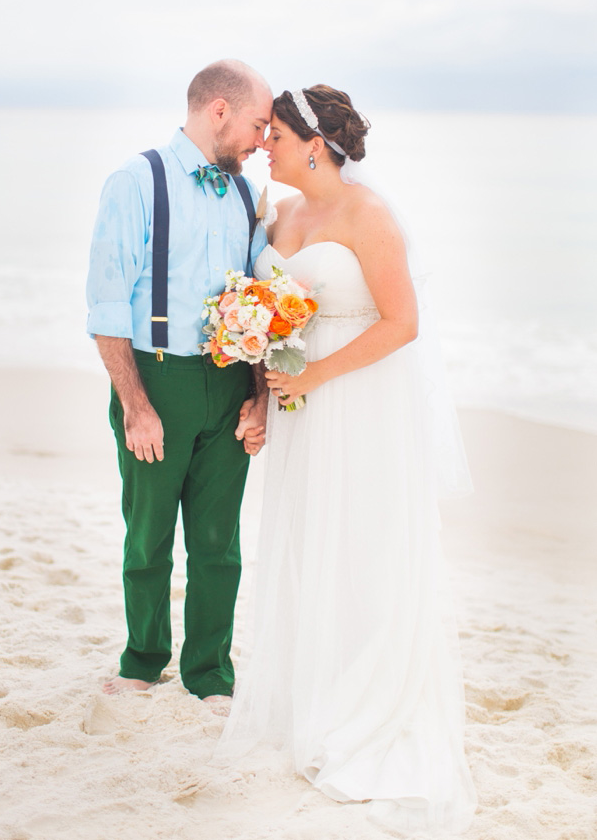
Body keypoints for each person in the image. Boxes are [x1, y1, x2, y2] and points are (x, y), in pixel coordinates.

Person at [216, 86, 477, 832]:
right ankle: (315, 696)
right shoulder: (283, 211)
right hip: (298, 401)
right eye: (262, 134)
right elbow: (271, 319)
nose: (265, 144)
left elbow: (403, 323)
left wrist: (313, 378)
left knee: (363, 544)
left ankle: (367, 705)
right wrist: (263, 399)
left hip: (359, 397)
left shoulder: (369, 215)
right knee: (307, 542)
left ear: (316, 144)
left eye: (276, 134)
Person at [86, 59, 272, 713]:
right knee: (150, 535)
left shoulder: (248, 195)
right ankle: (143, 661)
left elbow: (258, 298)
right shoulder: (137, 181)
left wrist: (261, 394)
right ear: (218, 110)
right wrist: (135, 406)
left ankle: (210, 674)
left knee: (219, 541)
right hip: (157, 379)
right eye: (256, 124)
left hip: (229, 384)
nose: (261, 141)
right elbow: (107, 305)